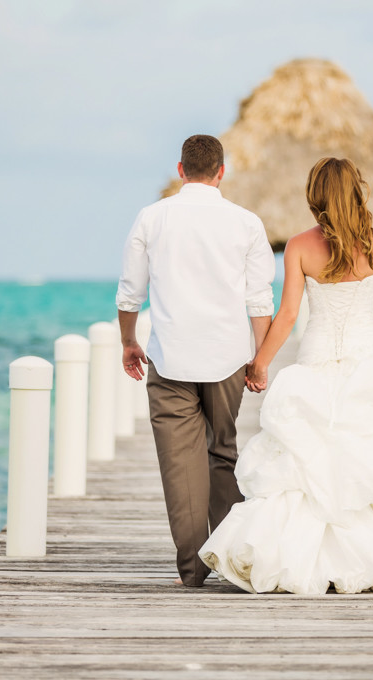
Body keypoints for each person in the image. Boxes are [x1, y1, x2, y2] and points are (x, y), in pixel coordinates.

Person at [199, 157, 373, 594]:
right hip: (369, 359)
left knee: (310, 460)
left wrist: (261, 362)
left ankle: (307, 559)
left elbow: (287, 315)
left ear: (315, 196)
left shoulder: (299, 246)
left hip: (318, 358)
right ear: (357, 192)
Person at [116, 134, 275, 587]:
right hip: (228, 359)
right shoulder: (246, 223)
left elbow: (131, 291)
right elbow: (259, 301)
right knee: (222, 452)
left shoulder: (153, 217)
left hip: (169, 359)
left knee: (178, 463)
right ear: (221, 172)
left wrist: (129, 341)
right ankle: (229, 558)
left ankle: (192, 570)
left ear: (181, 170)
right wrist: (260, 360)